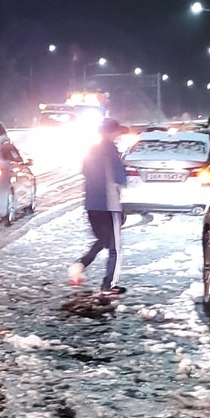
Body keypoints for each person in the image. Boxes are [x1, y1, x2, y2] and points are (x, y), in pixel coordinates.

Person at [68, 118, 128, 294]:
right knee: (115, 247)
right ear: (111, 133)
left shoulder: (91, 150)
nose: (118, 136)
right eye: (116, 132)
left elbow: (85, 172)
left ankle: (79, 265)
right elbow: (120, 178)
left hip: (92, 205)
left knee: (103, 240)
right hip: (109, 205)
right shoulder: (111, 150)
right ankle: (108, 285)